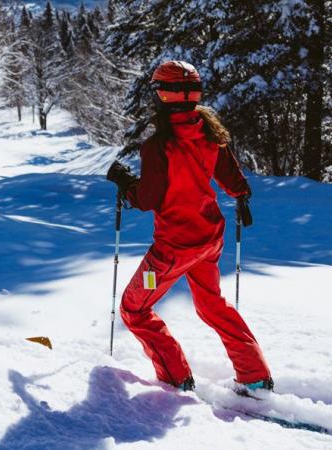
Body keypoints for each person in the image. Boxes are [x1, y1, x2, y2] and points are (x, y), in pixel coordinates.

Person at [106, 61, 272, 392]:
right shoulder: (209, 132)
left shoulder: (158, 146)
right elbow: (229, 174)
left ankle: (175, 380)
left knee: (133, 309)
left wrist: (125, 183)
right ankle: (255, 378)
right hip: (209, 240)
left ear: (162, 96)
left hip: (172, 250)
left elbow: (148, 199)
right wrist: (241, 196)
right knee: (212, 305)